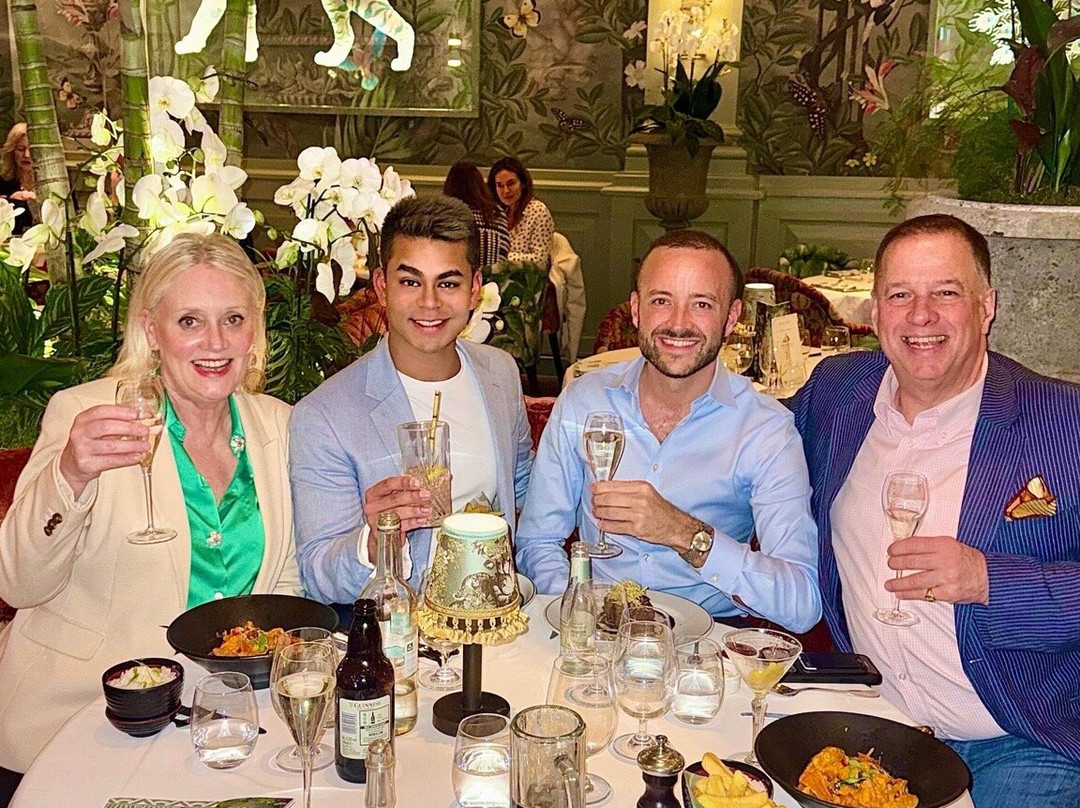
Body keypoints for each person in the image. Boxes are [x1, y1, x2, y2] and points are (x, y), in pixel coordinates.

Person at [791, 213, 1080, 807]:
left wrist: (988, 580)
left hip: (1018, 738)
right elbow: (742, 444)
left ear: (986, 306)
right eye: (900, 295)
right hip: (873, 723)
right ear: (875, 312)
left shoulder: (1064, 421)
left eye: (946, 293)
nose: (920, 316)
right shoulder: (837, 393)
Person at [0, 232, 300, 778]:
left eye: (233, 319)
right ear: (150, 330)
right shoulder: (86, 414)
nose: (215, 342)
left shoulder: (278, 425)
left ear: (254, 330)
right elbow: (19, 584)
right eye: (189, 321)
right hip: (82, 721)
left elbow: (286, 584)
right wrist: (70, 474)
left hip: (221, 725)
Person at [515, 229, 821, 632]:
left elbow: (801, 603)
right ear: (636, 310)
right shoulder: (583, 402)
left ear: (731, 318)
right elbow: (538, 542)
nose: (678, 324)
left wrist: (685, 534)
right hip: (595, 636)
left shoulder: (765, 430)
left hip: (708, 642)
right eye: (662, 301)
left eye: (701, 304)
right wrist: (578, 612)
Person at [289, 195, 533, 603]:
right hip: (400, 627)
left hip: (493, 614)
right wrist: (373, 542)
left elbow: (523, 484)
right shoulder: (324, 416)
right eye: (410, 282)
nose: (430, 302)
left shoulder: (500, 373)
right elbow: (318, 575)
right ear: (382, 287)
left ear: (474, 289)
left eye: (448, 283)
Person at [487, 156, 555, 267]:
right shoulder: (496, 213)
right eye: (500, 185)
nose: (506, 191)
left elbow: (540, 260)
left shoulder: (538, 211)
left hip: (528, 275)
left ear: (523, 184)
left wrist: (500, 258)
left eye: (511, 183)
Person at [443, 161, 509, 269]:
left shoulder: (448, 214)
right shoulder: (497, 213)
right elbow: (504, 254)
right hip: (495, 277)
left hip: (458, 276)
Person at [0, 123, 35, 235]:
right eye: (20, 149)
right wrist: (9, 201)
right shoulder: (2, 181)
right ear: (12, 151)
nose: (27, 155)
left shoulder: (57, 180)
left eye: (31, 149)